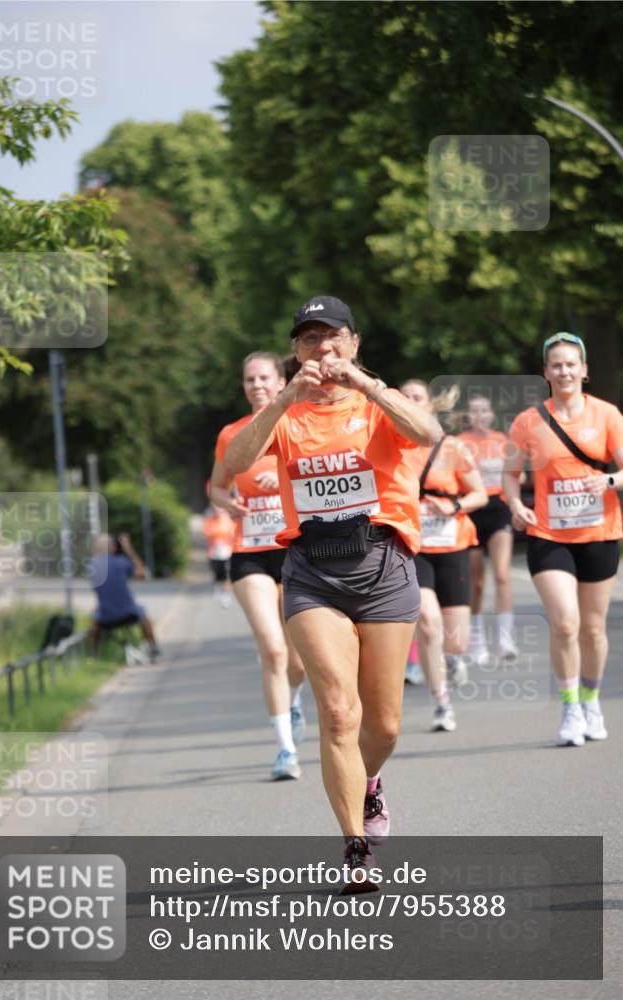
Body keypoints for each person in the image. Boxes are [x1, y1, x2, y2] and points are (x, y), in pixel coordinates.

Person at [223, 296, 442, 890]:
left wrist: (367, 386)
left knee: (386, 725)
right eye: (308, 340)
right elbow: (240, 464)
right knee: (340, 713)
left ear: (354, 341)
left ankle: (368, 784)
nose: (321, 348)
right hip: (313, 572)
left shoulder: (378, 403)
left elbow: (429, 432)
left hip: (384, 564)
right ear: (295, 353)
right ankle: (354, 846)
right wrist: (283, 400)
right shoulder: (286, 413)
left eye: (332, 337)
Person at [503, 332, 623, 747]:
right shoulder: (528, 422)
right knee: (566, 622)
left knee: (592, 628)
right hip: (548, 533)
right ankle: (571, 707)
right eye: (556, 364)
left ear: (584, 370)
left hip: (600, 531)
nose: (565, 370)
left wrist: (608, 479)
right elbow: (509, 475)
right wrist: (516, 506)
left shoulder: (607, 415)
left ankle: (592, 701)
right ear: (546, 372)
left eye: (572, 363)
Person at [210, 352, 307, 782]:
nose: (256, 385)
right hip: (248, 550)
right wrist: (224, 501)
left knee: (299, 661)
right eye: (249, 379)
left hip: (294, 548)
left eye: (264, 377)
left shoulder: (299, 423)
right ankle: (285, 749)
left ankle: (295, 698)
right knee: (272, 648)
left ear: (281, 379)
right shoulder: (232, 433)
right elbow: (215, 486)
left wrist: (285, 477)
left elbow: (319, 476)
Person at [400, 380, 487, 732]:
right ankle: (441, 703)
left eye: (416, 398)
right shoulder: (388, 446)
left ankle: (453, 661)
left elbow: (479, 494)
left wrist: (451, 505)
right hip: (412, 548)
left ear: (431, 405)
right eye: (403, 398)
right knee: (428, 622)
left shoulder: (452, 448)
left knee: (456, 640)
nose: (410, 403)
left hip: (452, 546)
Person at [460, 395, 518, 664]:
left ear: (492, 414)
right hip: (472, 510)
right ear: (467, 416)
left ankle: (506, 640)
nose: (479, 415)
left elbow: (518, 474)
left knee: (503, 574)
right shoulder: (460, 443)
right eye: (474, 411)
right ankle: (477, 643)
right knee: (477, 582)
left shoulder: (503, 441)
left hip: (498, 507)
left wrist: (514, 476)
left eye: (484, 410)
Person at [88, 533, 161, 660]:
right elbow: (143, 574)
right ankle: (153, 647)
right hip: (129, 614)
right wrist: (129, 550)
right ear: (113, 548)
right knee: (143, 613)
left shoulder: (92, 566)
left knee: (95, 619)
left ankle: (94, 654)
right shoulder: (121, 562)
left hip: (105, 617)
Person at [202, 504, 236, 607]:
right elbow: (206, 533)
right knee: (217, 573)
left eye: (220, 508)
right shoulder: (211, 521)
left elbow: (234, 534)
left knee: (228, 574)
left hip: (227, 552)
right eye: (216, 508)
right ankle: (217, 587)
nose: (218, 511)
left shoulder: (230, 522)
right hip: (214, 553)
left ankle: (226, 595)